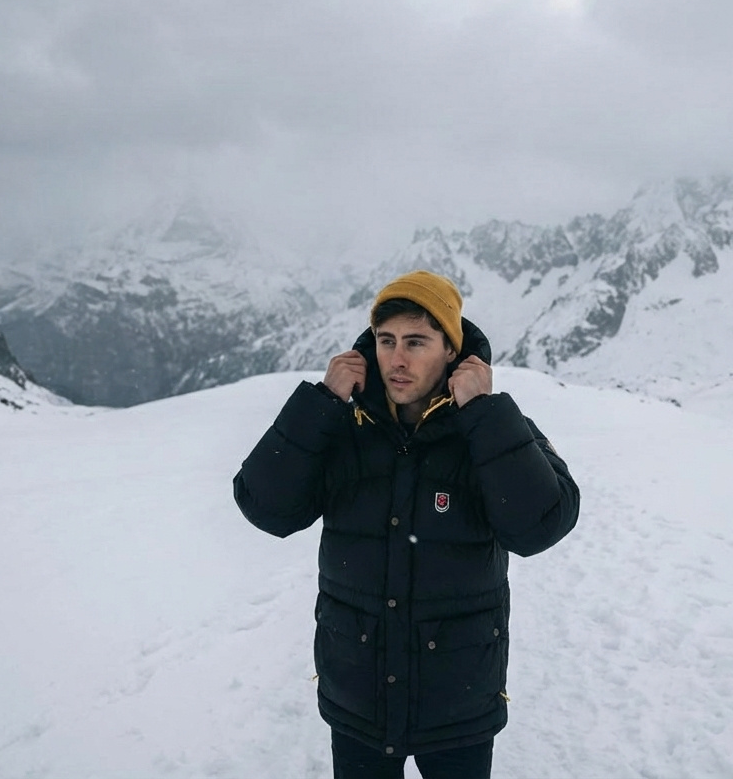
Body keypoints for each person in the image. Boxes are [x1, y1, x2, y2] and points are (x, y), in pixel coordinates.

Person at [233, 270, 580, 779]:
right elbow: (264, 506)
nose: (397, 359)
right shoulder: (343, 429)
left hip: (457, 702)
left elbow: (540, 526)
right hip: (359, 698)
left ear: (451, 352)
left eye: (416, 342)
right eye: (386, 340)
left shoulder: (490, 429)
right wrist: (320, 404)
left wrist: (484, 413)